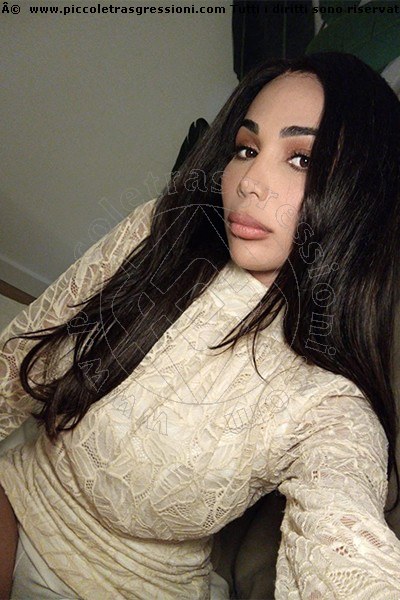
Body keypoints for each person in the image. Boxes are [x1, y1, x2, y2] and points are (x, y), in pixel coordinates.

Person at [1, 51, 400, 599]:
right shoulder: (159, 233)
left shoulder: (331, 404)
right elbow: (18, 358)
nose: (250, 180)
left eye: (301, 159)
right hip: (18, 492)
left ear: (362, 194)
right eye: (247, 148)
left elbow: (343, 541)